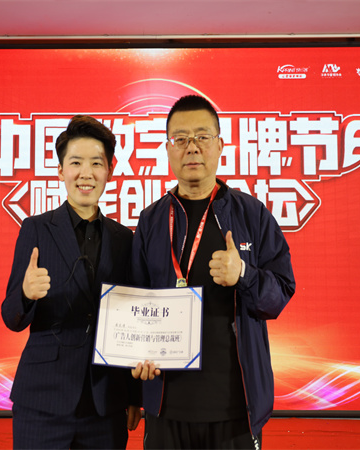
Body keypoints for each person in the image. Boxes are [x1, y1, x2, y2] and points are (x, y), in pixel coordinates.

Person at [131, 95, 295, 449]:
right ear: (168, 149)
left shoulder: (252, 214)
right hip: (166, 405)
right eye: (180, 138)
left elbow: (280, 294)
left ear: (220, 145)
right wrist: (134, 374)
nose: (192, 147)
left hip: (235, 408)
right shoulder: (151, 220)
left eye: (202, 137)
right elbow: (135, 304)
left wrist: (244, 275)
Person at [2, 115, 142, 449]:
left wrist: (134, 394)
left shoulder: (124, 238)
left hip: (105, 402)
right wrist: (26, 294)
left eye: (96, 163)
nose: (86, 173)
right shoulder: (36, 229)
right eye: (76, 162)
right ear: (61, 170)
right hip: (43, 399)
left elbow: (133, 320)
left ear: (109, 171)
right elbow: (11, 316)